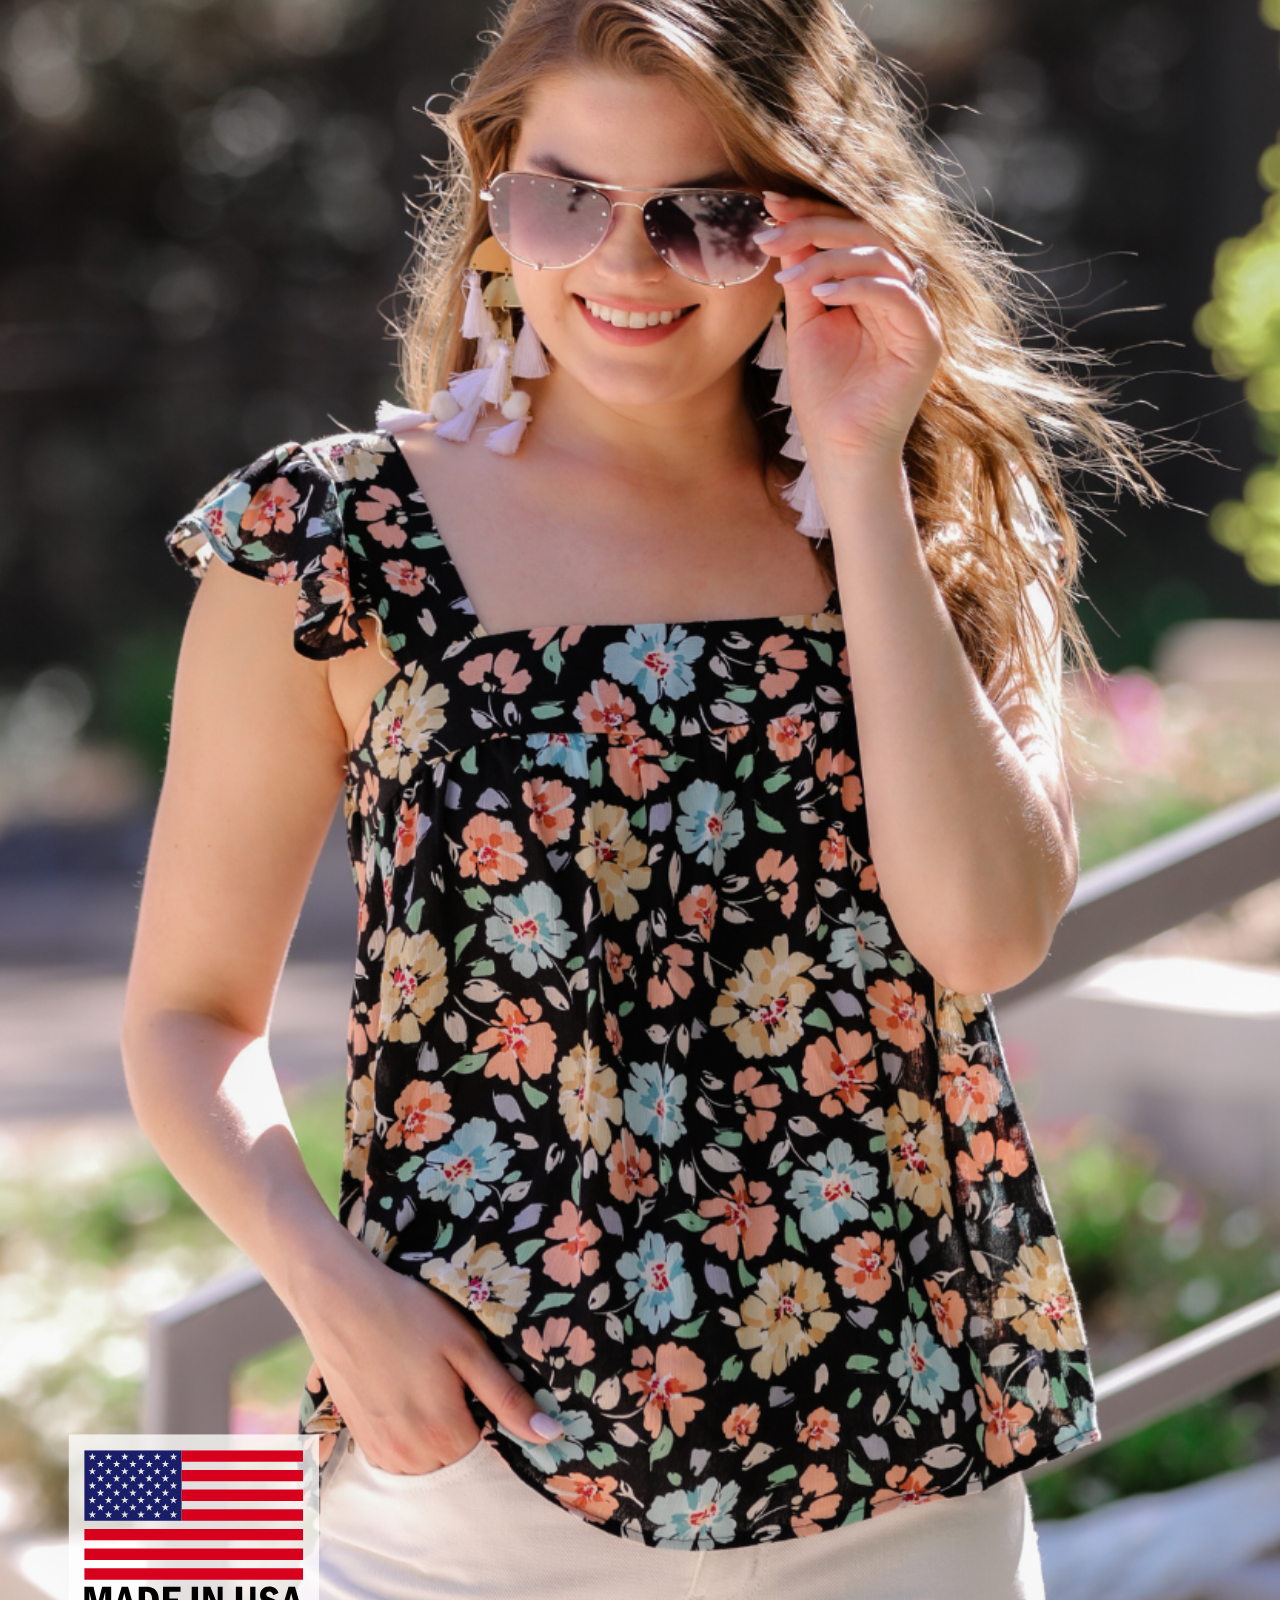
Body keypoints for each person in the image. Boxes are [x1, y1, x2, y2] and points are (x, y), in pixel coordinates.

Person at [122, 1, 1154, 1596]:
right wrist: (328, 1292)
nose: (629, 264)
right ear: (492, 195)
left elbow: (983, 932)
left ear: (812, 225)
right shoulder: (334, 539)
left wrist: (862, 468)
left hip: (895, 1461)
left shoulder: (933, 517)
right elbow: (188, 1015)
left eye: (709, 212)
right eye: (569, 197)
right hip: (479, 1479)